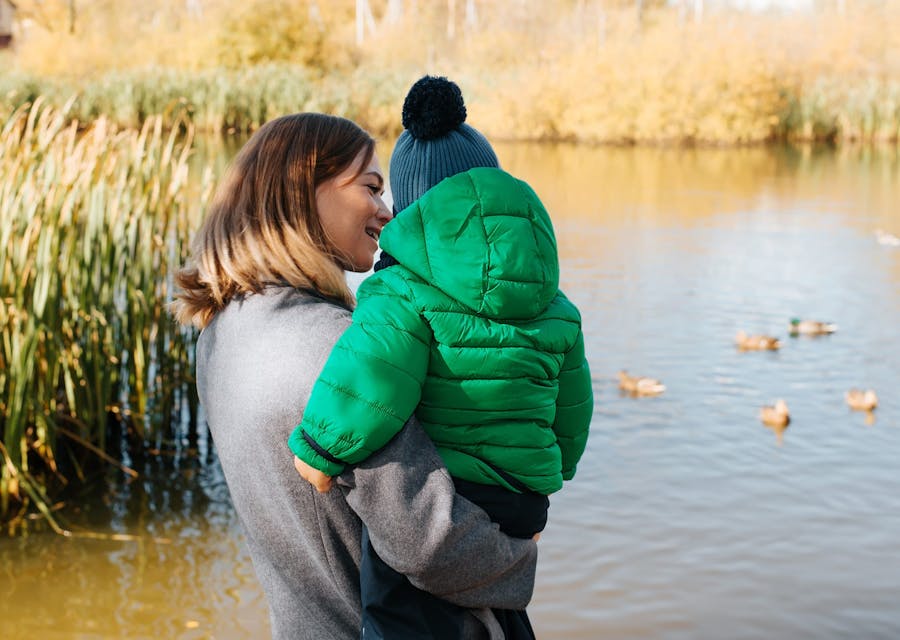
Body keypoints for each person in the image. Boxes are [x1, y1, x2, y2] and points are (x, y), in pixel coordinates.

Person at [172, 112, 540, 640]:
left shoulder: (221, 333)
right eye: (370, 187)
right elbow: (430, 542)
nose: (388, 213)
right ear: (302, 192)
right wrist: (520, 555)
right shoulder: (343, 353)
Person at [289, 77, 594, 639]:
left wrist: (320, 447)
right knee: (498, 617)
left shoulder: (403, 287)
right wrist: (545, 480)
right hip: (523, 500)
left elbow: (373, 377)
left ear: (411, 205)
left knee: (396, 612)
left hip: (453, 491)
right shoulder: (555, 302)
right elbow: (573, 410)